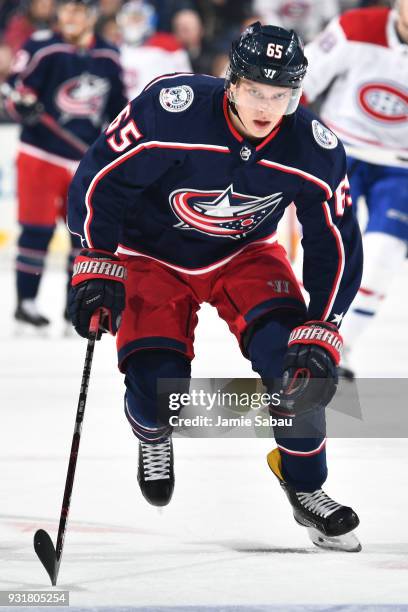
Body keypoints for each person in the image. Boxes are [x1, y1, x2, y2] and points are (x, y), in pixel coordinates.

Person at [67, 22, 363, 551]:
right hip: (151, 255)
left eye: (281, 94)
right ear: (231, 81)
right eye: (255, 90)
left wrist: (323, 326)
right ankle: (154, 432)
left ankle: (305, 486)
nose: (266, 106)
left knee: (294, 367)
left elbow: (335, 244)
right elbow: (100, 177)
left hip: (245, 255)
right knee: (159, 392)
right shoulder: (170, 108)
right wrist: (95, 258)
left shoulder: (313, 149)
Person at [1, 0, 127, 328]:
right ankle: (25, 303)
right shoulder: (42, 47)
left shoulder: (108, 55)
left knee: (81, 235)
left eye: (79, 10)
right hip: (41, 154)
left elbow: (118, 109)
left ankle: (75, 306)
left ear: (92, 16)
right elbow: (15, 90)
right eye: (66, 9)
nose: (70, 17)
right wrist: (21, 105)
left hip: (85, 159)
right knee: (37, 230)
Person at [301, 0, 408, 378]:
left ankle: (338, 349)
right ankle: (303, 335)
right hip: (338, 151)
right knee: (328, 251)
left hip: (400, 167)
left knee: (383, 256)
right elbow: (299, 79)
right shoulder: (356, 27)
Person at [117, 0, 191, 100]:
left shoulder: (168, 46)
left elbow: (186, 83)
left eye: (138, 19)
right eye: (130, 19)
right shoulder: (114, 49)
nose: (133, 24)